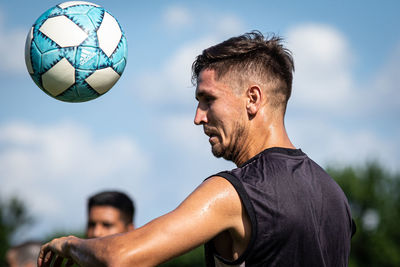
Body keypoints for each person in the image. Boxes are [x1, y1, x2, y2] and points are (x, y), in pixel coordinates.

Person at [38, 31, 355, 267]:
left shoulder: (233, 192)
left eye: (208, 99)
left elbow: (122, 257)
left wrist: (69, 243)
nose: (198, 117)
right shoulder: (335, 195)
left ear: (253, 98)